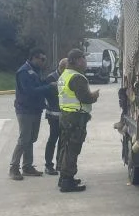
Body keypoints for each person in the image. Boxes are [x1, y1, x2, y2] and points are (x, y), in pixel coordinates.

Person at [9, 48, 56, 181]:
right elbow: (29, 91)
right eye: (42, 59)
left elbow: (39, 85)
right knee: (24, 139)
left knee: (31, 138)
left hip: (35, 109)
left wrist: (48, 85)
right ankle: (14, 167)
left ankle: (27, 166)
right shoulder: (24, 72)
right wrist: (49, 87)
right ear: (34, 58)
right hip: (25, 110)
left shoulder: (36, 71)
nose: (43, 62)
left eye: (44, 60)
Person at [57, 48, 100, 192]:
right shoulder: (77, 77)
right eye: (83, 58)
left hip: (65, 115)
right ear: (76, 61)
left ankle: (63, 177)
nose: (86, 62)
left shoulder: (64, 75)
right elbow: (85, 98)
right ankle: (67, 181)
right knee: (72, 149)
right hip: (75, 118)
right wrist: (94, 96)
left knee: (65, 147)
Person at [43, 57, 67, 176]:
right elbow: (49, 96)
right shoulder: (51, 78)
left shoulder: (65, 77)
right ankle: (48, 165)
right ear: (61, 67)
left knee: (63, 140)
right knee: (53, 139)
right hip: (53, 115)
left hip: (64, 114)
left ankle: (60, 163)